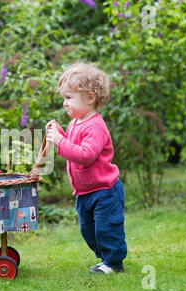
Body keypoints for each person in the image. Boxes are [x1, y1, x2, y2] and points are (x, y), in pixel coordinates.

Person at [45, 61, 127, 274]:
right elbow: (74, 147)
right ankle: (105, 259)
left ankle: (114, 262)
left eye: (69, 97)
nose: (65, 103)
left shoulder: (95, 126)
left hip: (104, 191)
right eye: (64, 98)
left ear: (90, 98)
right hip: (85, 192)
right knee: (88, 230)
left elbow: (86, 155)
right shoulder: (76, 123)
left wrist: (60, 143)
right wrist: (61, 134)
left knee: (107, 228)